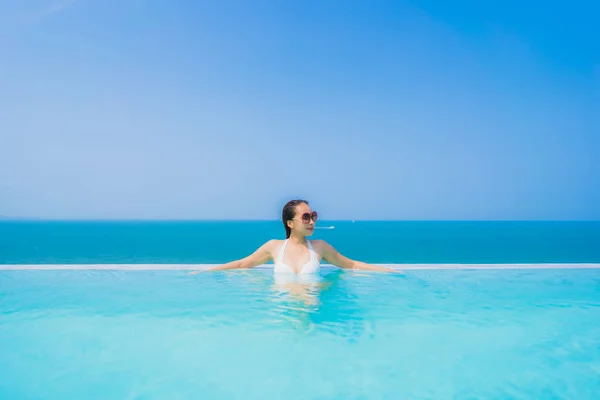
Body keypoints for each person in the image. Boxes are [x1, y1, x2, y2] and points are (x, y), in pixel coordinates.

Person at [190, 199, 397, 274]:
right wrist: (208, 271)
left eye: (313, 216)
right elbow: (244, 264)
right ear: (290, 223)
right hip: (282, 314)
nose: (312, 221)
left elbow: (350, 265)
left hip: (313, 313)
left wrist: (386, 270)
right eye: (306, 217)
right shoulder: (274, 247)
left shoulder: (320, 247)